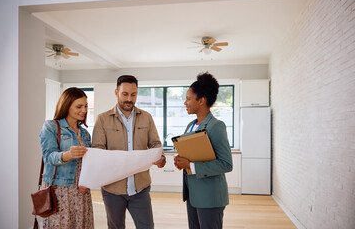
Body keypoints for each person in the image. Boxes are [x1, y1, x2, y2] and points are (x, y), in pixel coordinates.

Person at [92, 75, 166, 229]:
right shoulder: (102, 119)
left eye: (133, 94)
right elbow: (98, 151)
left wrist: (161, 157)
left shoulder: (147, 117)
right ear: (116, 92)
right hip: (112, 189)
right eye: (125, 94)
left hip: (140, 188)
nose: (129, 99)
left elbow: (155, 144)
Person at [174, 72, 233, 229]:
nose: (185, 102)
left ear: (201, 100)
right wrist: (182, 161)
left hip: (210, 197)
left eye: (188, 98)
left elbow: (226, 164)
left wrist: (191, 165)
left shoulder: (216, 126)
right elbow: (192, 155)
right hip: (193, 195)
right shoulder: (190, 125)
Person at [39, 87, 94, 229]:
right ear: (67, 105)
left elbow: (90, 163)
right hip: (60, 191)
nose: (84, 110)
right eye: (79, 106)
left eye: (86, 106)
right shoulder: (51, 126)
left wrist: (88, 182)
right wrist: (67, 155)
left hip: (81, 190)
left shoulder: (85, 133)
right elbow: (48, 156)